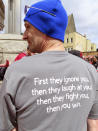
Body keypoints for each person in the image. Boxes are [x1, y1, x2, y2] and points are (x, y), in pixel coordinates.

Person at [0, 0, 98, 131]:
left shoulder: (17, 71)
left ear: (45, 26)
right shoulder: (90, 71)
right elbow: (93, 124)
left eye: (28, 27)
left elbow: (7, 127)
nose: (23, 36)